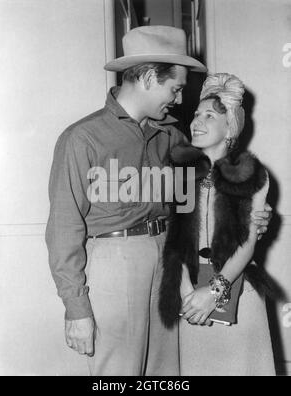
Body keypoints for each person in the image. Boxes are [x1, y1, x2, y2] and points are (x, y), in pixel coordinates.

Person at [45, 26, 271, 376]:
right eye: (175, 88)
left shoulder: (173, 137)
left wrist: (254, 215)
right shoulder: (83, 138)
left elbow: (207, 196)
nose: (180, 101)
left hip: (169, 265)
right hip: (116, 264)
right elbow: (64, 229)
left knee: (166, 376)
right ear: (150, 77)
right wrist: (77, 309)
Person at [159, 73, 276, 376]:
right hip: (192, 299)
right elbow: (177, 238)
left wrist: (214, 292)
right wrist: (187, 293)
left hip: (237, 292)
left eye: (209, 115)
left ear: (229, 128)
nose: (197, 121)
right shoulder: (182, 174)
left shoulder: (253, 174)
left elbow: (248, 243)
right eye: (197, 114)